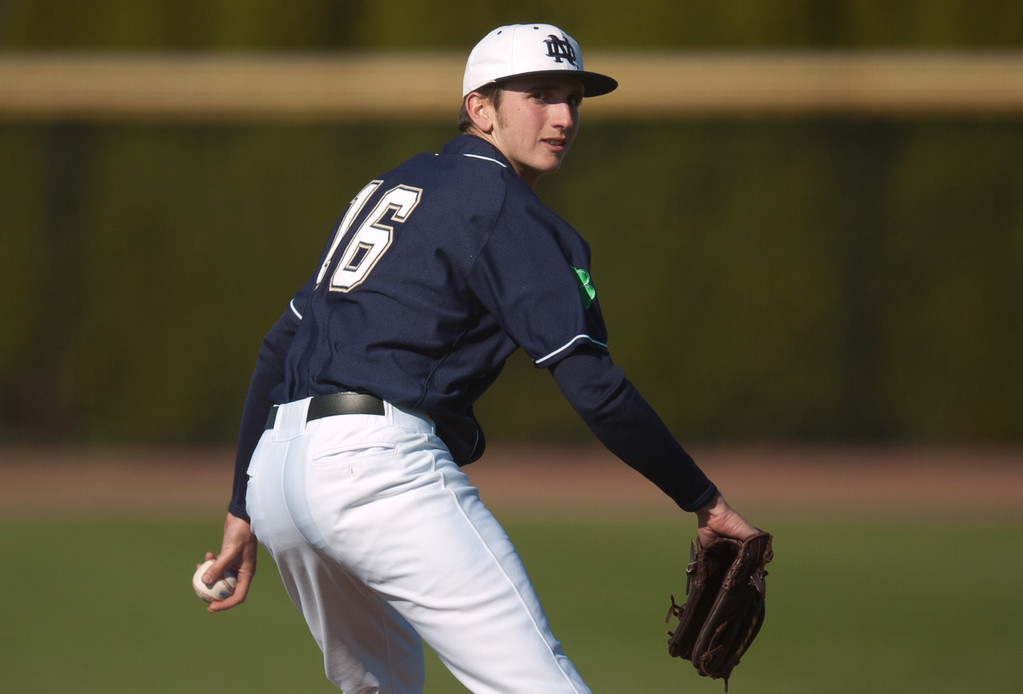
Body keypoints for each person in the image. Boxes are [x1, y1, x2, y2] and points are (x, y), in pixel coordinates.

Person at [199, 23, 759, 694]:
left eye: (573, 99)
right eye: (539, 95)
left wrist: (243, 505)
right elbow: (594, 389)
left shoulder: (394, 187)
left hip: (281, 478)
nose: (562, 117)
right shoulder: (503, 207)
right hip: (374, 469)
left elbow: (278, 346)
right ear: (479, 107)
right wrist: (703, 501)